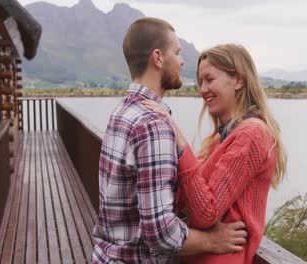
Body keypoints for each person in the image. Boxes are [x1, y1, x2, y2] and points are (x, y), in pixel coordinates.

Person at [92, 18, 248, 263]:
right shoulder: (153, 125)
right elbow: (161, 233)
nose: (182, 61)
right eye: (176, 52)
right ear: (158, 58)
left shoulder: (122, 112)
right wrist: (211, 241)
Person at [142, 44, 288, 263]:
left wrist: (180, 141)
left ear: (238, 80)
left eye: (209, 80)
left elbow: (205, 213)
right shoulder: (220, 139)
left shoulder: (252, 134)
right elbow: (183, 199)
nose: (202, 90)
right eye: (200, 82)